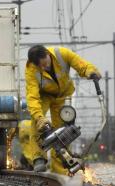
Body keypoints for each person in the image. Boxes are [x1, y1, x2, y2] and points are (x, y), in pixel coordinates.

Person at [25, 45, 101, 175]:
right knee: (37, 121)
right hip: (44, 96)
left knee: (63, 130)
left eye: (45, 64)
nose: (44, 68)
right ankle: (38, 158)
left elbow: (80, 64)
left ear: (47, 54)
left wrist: (90, 71)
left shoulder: (62, 54)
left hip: (61, 96)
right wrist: (39, 117)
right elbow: (32, 96)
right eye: (41, 67)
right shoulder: (31, 69)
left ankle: (59, 167)